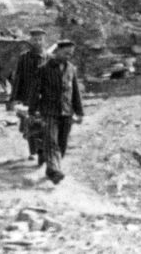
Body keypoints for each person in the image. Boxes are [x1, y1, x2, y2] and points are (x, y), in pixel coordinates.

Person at [27, 40, 84, 184]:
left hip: (66, 112)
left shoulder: (71, 68)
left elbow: (75, 92)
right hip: (48, 111)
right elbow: (35, 92)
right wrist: (32, 111)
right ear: (57, 51)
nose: (68, 57)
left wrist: (80, 112)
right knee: (51, 142)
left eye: (70, 54)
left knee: (62, 143)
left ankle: (51, 169)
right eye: (65, 53)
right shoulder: (43, 69)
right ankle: (55, 171)